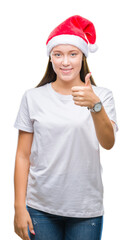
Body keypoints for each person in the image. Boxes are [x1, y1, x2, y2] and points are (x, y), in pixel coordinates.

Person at [13, 15, 119, 240]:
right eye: (58, 54)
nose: (65, 62)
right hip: (40, 208)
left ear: (83, 57)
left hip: (85, 209)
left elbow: (108, 143)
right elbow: (23, 156)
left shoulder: (101, 96)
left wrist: (95, 106)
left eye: (73, 54)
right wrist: (19, 208)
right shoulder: (33, 97)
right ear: (50, 58)